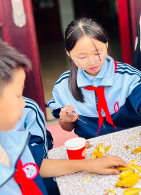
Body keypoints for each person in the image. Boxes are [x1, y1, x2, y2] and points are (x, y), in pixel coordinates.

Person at [0, 40, 128, 195]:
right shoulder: (57, 90)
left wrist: (89, 164)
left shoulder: (10, 138)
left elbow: (36, 164)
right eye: (17, 96)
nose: (23, 104)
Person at [48, 18, 141, 162]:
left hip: (136, 143)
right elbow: (67, 127)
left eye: (97, 53)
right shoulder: (63, 86)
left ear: (106, 45)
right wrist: (66, 118)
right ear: (69, 53)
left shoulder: (127, 75)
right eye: (82, 57)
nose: (92, 62)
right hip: (95, 154)